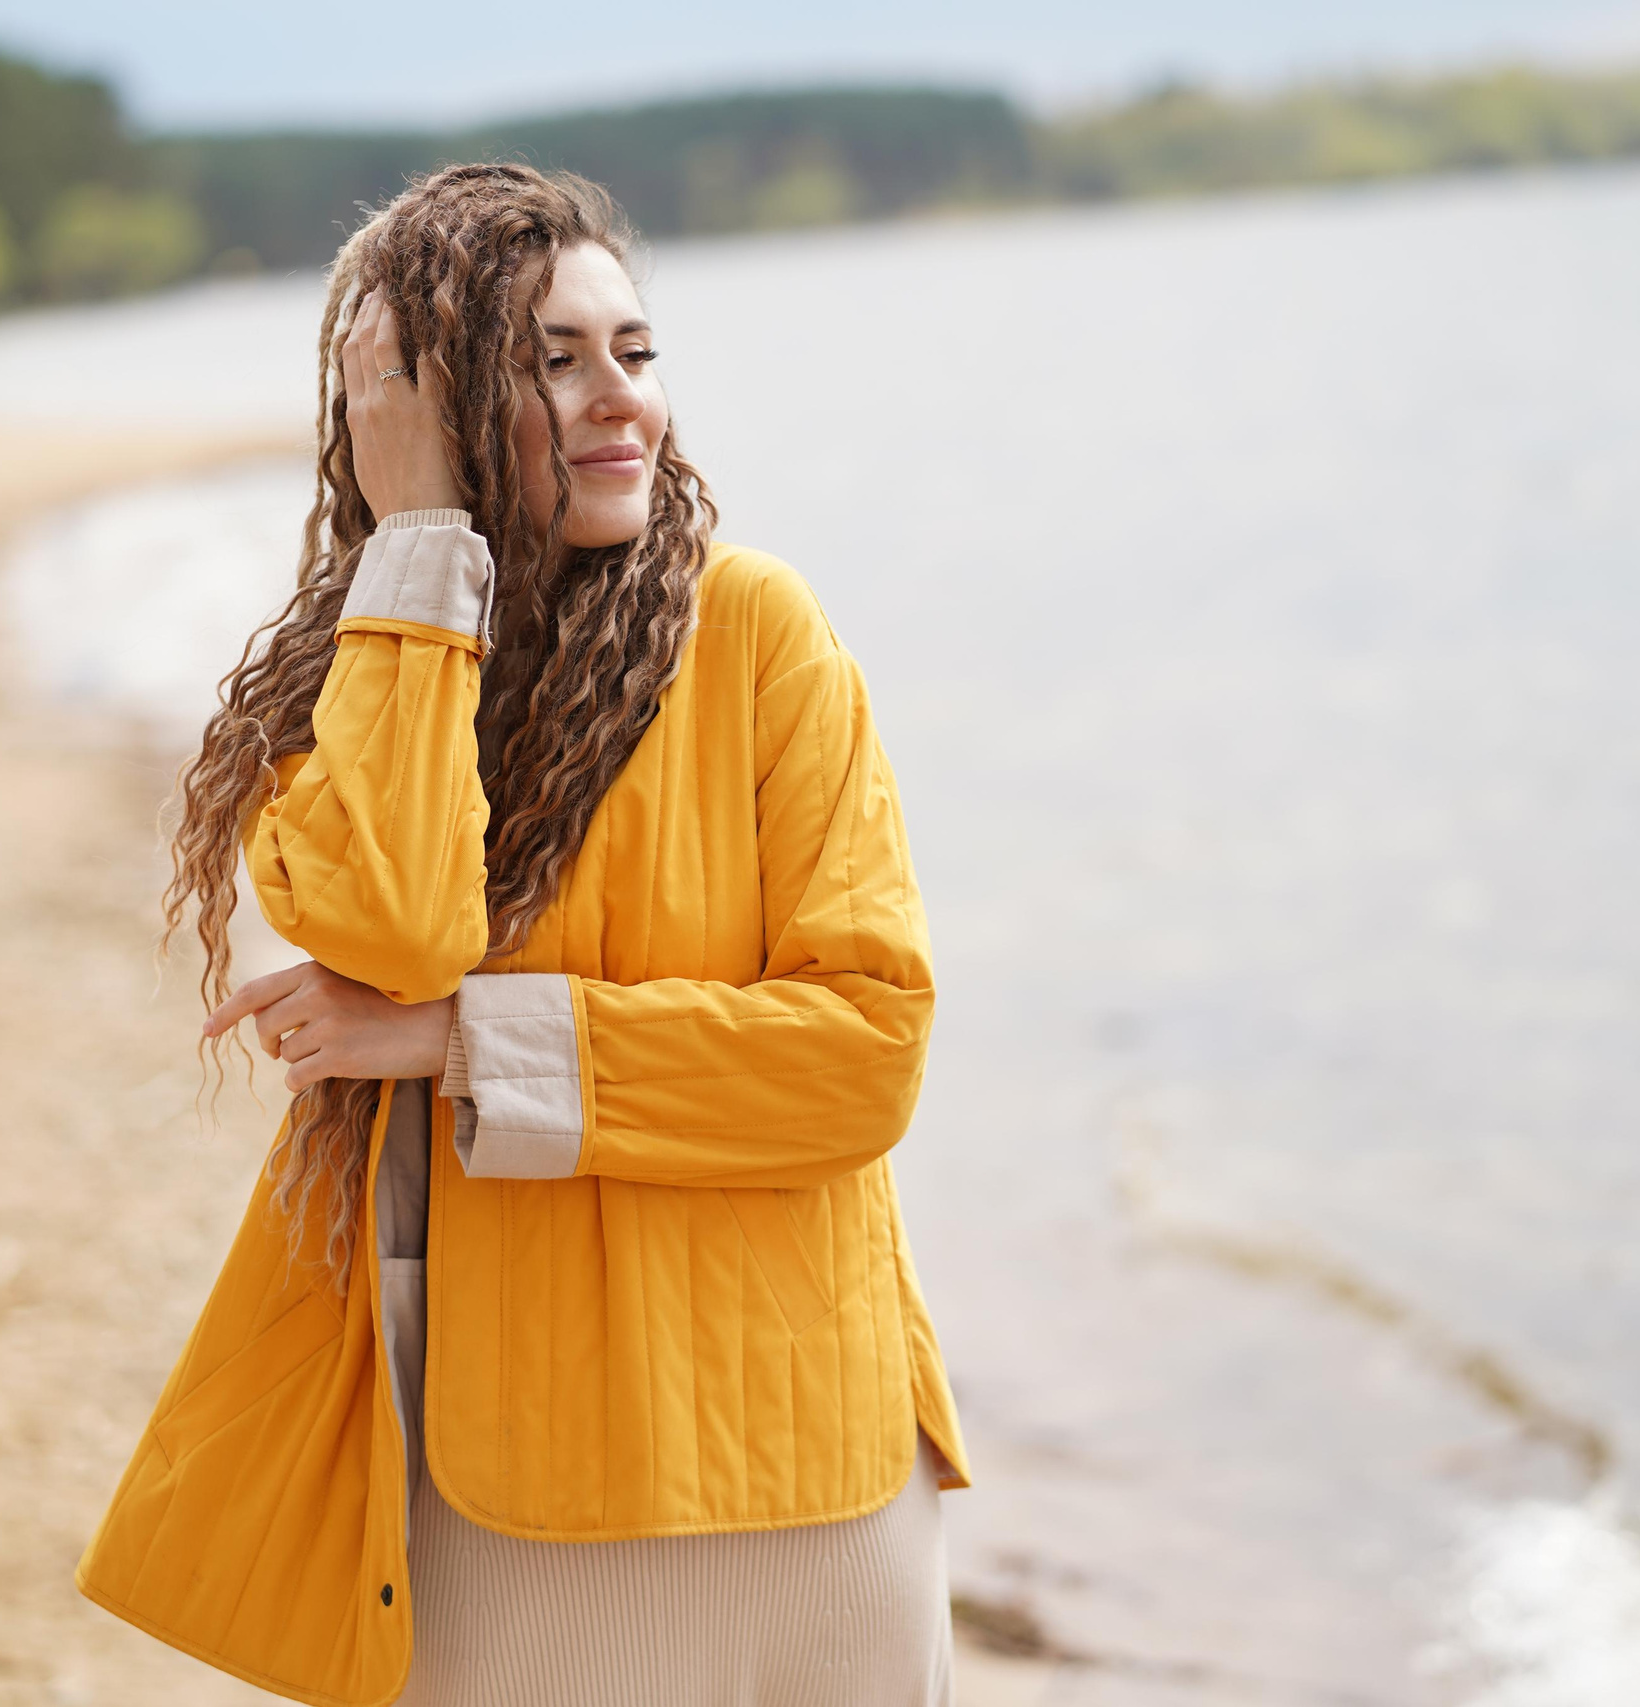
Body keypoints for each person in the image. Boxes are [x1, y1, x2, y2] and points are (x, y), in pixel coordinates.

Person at [75, 163, 970, 1707]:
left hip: (811, 1468)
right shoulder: (344, 693)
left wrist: (458, 1045)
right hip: (508, 1467)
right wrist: (423, 543)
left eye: (636, 349)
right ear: (415, 413)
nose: (621, 399)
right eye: (553, 361)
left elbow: (865, 1058)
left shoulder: (758, 631)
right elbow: (403, 923)